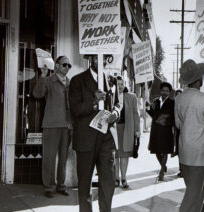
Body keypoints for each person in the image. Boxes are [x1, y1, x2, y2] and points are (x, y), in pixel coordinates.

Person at [69, 54, 119, 212]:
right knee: (85, 184)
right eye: (96, 57)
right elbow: (75, 109)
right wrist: (93, 101)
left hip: (106, 138)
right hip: (85, 138)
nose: (100, 60)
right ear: (90, 58)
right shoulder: (77, 80)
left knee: (108, 181)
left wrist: (116, 113)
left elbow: (117, 103)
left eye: (103, 57)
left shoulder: (111, 80)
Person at [175, 59, 204, 212]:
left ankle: (202, 209)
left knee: (195, 192)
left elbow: (177, 124)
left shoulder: (179, 98)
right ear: (199, 80)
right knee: (192, 197)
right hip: (199, 153)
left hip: (184, 151)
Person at [33, 55, 72, 198]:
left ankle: (61, 185)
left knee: (63, 158)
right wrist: (42, 76)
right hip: (51, 125)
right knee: (49, 157)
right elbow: (37, 94)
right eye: (64, 65)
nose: (67, 67)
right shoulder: (49, 80)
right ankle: (49, 187)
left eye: (69, 65)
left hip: (66, 126)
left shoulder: (70, 83)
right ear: (56, 66)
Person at [114, 76, 140, 189]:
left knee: (124, 155)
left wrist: (137, 130)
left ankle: (124, 178)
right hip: (114, 129)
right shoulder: (111, 96)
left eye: (121, 84)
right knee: (115, 155)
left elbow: (136, 114)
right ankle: (116, 179)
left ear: (125, 84)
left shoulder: (131, 97)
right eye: (117, 84)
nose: (119, 86)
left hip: (127, 129)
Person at [146, 82, 175, 181]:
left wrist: (163, 120)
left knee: (165, 151)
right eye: (163, 90)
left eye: (167, 91)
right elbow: (153, 115)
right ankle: (163, 165)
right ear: (160, 91)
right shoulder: (155, 101)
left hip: (166, 130)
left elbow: (172, 116)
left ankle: (162, 171)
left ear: (169, 92)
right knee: (157, 151)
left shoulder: (172, 102)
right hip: (156, 130)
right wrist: (148, 109)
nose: (164, 92)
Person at [173, 89, 183, 177]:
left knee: (183, 150)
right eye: (177, 95)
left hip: (184, 130)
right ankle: (181, 169)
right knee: (179, 151)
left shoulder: (185, 105)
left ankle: (183, 170)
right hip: (176, 130)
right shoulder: (173, 104)